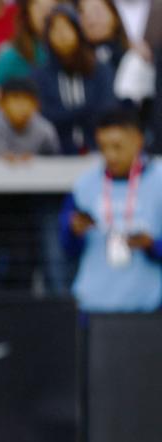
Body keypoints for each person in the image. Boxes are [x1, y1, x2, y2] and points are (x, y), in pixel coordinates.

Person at [0, 77, 62, 293]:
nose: (21, 106)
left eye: (27, 100)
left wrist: (35, 166)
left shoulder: (45, 132)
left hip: (25, 208)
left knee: (23, 264)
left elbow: (55, 165)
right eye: (14, 99)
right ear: (1, 103)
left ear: (36, 104)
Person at [63, 107, 162, 311]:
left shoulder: (159, 180)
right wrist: (74, 231)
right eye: (103, 147)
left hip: (148, 307)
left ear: (138, 140)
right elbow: (68, 248)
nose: (110, 155)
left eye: (118, 147)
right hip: (92, 305)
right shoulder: (84, 185)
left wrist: (151, 245)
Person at [33, 3, 116, 154]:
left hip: (97, 150)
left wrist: (67, 114)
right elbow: (44, 116)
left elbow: (106, 110)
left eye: (67, 28)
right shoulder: (40, 75)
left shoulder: (99, 69)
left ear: (78, 31)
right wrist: (83, 111)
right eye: (55, 30)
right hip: (55, 153)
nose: (62, 35)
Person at [0, 0, 55, 86]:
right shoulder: (10, 56)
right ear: (27, 13)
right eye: (40, 8)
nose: (46, 14)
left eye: (50, 8)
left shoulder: (69, 53)